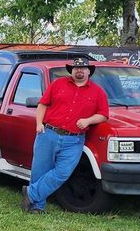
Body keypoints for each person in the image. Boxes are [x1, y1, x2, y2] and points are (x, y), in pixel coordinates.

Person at [21, 57, 109, 214]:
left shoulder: (98, 92)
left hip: (74, 139)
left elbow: (103, 115)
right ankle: (36, 207)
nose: (79, 70)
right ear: (72, 70)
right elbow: (42, 104)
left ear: (89, 71)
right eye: (76, 68)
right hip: (48, 133)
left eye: (83, 68)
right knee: (40, 170)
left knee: (63, 173)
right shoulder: (58, 84)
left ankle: (31, 193)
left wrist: (89, 120)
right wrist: (38, 124)